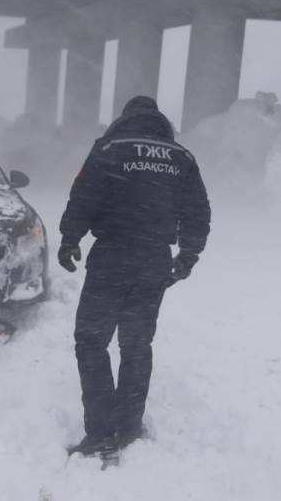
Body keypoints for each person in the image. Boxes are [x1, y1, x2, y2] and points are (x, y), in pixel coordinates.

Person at [59, 95, 211, 460]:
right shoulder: (181, 158)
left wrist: (70, 239)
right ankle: (128, 428)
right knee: (136, 344)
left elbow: (83, 197)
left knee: (91, 341)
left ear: (126, 119)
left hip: (111, 255)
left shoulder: (109, 148)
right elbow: (198, 211)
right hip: (153, 259)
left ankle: (99, 433)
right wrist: (187, 255)